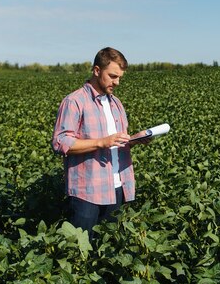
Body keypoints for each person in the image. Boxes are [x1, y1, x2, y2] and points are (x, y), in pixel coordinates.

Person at [51, 47, 148, 238]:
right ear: (96, 71)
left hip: (116, 187)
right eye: (112, 76)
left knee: (107, 253)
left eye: (120, 77)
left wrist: (136, 140)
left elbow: (116, 143)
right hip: (87, 192)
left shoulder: (116, 103)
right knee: (80, 251)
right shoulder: (74, 101)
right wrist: (102, 142)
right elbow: (60, 142)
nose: (117, 82)